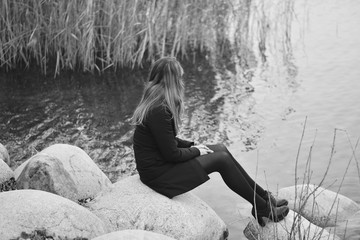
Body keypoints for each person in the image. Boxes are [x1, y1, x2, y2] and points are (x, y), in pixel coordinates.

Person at [131, 57, 289, 227]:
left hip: (161, 165)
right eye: (180, 78)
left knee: (220, 148)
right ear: (173, 81)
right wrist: (198, 151)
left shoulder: (156, 101)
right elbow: (171, 154)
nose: (182, 82)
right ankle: (262, 207)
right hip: (159, 176)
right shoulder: (159, 110)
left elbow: (166, 140)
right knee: (221, 160)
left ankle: (264, 197)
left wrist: (192, 145)